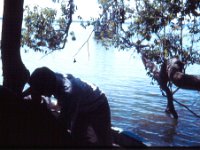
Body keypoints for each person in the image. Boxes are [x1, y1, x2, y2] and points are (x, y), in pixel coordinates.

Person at [23, 67, 112, 147]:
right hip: (81, 104)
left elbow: (62, 125)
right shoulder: (50, 78)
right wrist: (21, 95)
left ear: (48, 87)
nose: (41, 94)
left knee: (104, 137)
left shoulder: (69, 94)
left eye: (42, 92)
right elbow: (34, 88)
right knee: (77, 135)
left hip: (98, 103)